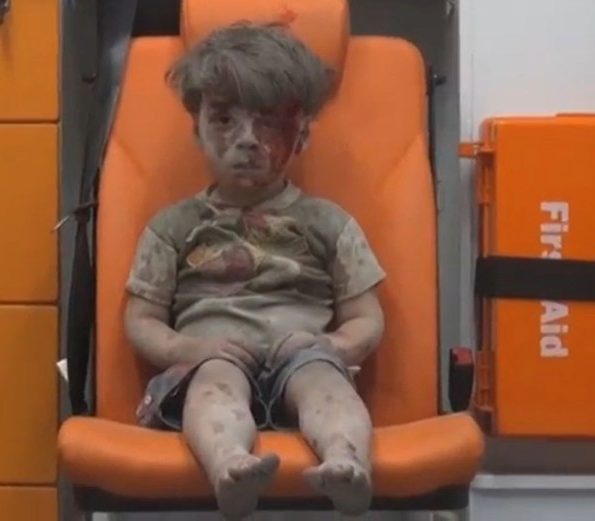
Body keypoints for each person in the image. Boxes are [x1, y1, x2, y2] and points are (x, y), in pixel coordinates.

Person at [123, 21, 386, 519]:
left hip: (303, 356)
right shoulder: (173, 227)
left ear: (301, 134)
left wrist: (333, 346)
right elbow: (141, 320)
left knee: (327, 386)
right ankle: (230, 465)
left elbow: (367, 318)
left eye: (268, 123)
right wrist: (187, 349)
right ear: (196, 128)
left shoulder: (328, 224)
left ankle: (346, 462)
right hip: (210, 358)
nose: (246, 140)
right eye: (224, 120)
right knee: (212, 386)